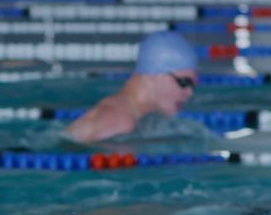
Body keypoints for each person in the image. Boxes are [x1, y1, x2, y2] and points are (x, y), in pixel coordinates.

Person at [65, 32, 199, 143]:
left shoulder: (134, 116)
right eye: (183, 82)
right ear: (155, 74)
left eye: (192, 85)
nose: (189, 92)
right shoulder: (119, 122)